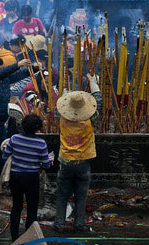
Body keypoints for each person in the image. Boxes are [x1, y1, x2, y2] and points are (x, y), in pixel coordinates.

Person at [0, 57, 35, 200]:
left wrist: (33, 68)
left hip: (0, 124)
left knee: (1, 157)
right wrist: (17, 64)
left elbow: (20, 75)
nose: (3, 71)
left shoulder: (4, 79)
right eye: (0, 68)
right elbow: (1, 74)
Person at [53, 75, 102, 233]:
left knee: (62, 195)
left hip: (65, 162)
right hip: (83, 163)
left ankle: (59, 224)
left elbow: (59, 107)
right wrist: (93, 83)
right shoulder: (89, 119)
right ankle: (79, 224)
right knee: (81, 196)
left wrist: (65, 95)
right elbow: (98, 102)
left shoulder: (62, 118)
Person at [3, 114, 53, 241]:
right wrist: (50, 161)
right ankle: (29, 238)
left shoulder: (14, 139)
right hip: (31, 178)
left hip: (16, 177)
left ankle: (14, 237)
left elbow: (5, 156)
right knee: (32, 209)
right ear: (37, 128)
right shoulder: (41, 143)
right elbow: (46, 165)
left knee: (17, 207)